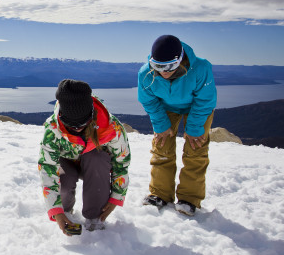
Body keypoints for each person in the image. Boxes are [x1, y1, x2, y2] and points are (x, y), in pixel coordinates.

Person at [38, 79, 131, 235]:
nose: (77, 129)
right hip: (66, 162)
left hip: (93, 164)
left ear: (91, 115)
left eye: (83, 123)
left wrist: (116, 197)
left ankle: (96, 217)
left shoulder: (110, 127)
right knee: (64, 181)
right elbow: (47, 167)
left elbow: (121, 162)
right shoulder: (53, 129)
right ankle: (65, 213)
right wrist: (56, 210)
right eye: (70, 125)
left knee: (98, 159)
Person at [138, 35, 217, 216]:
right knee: (161, 147)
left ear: (180, 60)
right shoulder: (145, 73)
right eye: (158, 66)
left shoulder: (200, 69)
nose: (164, 72)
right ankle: (159, 194)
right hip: (165, 107)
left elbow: (205, 100)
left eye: (169, 67)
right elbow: (148, 100)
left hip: (197, 107)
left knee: (195, 149)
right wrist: (161, 124)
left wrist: (195, 128)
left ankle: (189, 198)